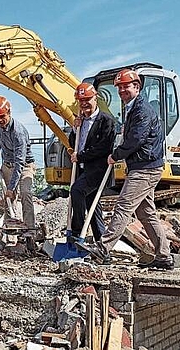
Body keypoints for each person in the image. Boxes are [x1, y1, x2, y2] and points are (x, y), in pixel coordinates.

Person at [78, 69, 173, 269]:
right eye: (119, 87)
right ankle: (164, 256)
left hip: (145, 168)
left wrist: (116, 155)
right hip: (142, 165)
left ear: (137, 87)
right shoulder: (132, 108)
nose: (122, 90)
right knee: (146, 214)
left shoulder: (141, 110)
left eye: (126, 86)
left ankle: (102, 249)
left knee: (123, 206)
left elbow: (135, 139)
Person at [68, 82, 116, 241]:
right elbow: (73, 142)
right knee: (92, 205)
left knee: (77, 190)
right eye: (81, 101)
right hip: (83, 169)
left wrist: (80, 157)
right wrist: (75, 129)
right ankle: (101, 243)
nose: (84, 104)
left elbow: (103, 147)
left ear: (95, 98)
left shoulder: (106, 120)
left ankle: (77, 233)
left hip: (98, 169)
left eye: (87, 99)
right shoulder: (80, 121)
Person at [0, 96, 37, 239]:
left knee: (25, 193)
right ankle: (11, 230)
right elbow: (1, 138)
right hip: (8, 164)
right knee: (8, 199)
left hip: (24, 165)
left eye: (2, 117)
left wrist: (11, 187)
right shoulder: (0, 124)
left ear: (9, 112)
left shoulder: (19, 133)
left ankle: (30, 229)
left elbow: (20, 163)